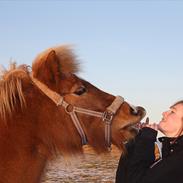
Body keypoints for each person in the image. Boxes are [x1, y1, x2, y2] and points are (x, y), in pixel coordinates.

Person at [115, 100, 183, 183]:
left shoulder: (179, 160)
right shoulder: (171, 154)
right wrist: (137, 139)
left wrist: (146, 140)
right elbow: (125, 179)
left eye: (172, 111)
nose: (164, 113)